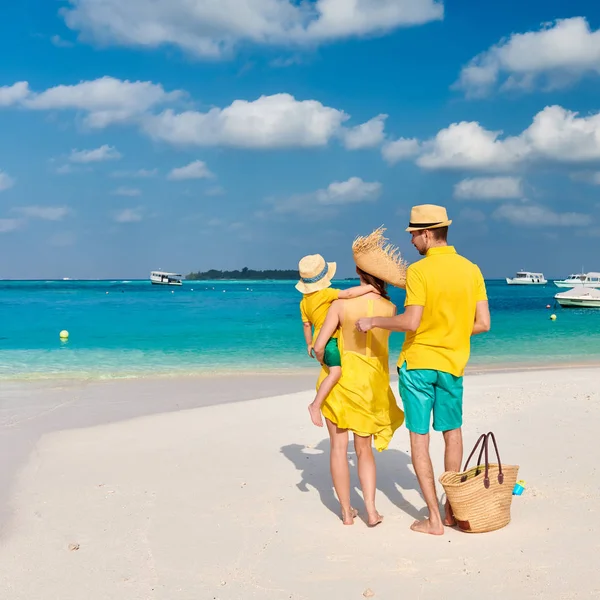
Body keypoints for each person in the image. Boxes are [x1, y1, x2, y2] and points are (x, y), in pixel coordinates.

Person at [356, 205, 491, 536]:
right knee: (452, 432)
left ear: (428, 234)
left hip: (418, 364)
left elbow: (411, 321)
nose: (412, 242)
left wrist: (373, 321)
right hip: (453, 363)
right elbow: (483, 324)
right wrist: (451, 331)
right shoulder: (471, 269)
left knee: (420, 438)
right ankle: (451, 509)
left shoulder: (419, 271)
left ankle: (433, 519)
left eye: (414, 235)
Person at [312, 228, 406, 526]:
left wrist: (322, 354)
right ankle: (371, 510)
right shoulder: (390, 308)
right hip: (371, 382)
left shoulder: (339, 305)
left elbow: (318, 346)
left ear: (358, 272)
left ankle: (345, 512)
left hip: (340, 383)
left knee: (339, 448)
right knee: (363, 449)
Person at [296, 254, 377, 427]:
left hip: (318, 337)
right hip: (328, 341)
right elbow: (348, 293)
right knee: (336, 373)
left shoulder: (304, 302)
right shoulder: (325, 293)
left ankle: (318, 403)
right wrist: (370, 288)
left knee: (331, 369)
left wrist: (309, 344)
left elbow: (306, 325)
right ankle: (315, 405)